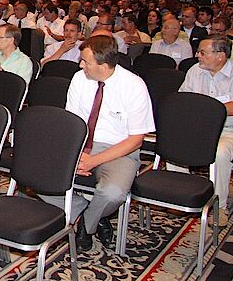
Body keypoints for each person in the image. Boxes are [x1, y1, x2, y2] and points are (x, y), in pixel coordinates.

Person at [40, 35, 155, 251]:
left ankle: (86, 224)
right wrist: (76, 153)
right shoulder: (79, 79)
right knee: (36, 174)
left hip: (119, 149)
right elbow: (72, 122)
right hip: (81, 143)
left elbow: (135, 140)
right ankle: (87, 211)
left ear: (103, 66)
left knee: (113, 192)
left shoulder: (134, 86)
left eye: (85, 62)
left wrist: (93, 161)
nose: (80, 65)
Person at [179, 35, 233, 225]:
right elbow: (183, 100)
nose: (197, 55)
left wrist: (202, 107)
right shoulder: (195, 70)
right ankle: (181, 195)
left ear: (220, 55)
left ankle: (219, 207)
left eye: (202, 52)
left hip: (231, 130)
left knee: (219, 152)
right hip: (199, 127)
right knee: (175, 142)